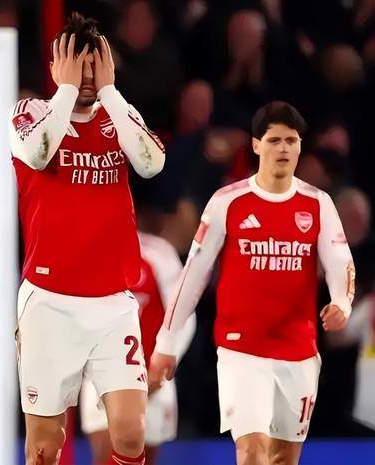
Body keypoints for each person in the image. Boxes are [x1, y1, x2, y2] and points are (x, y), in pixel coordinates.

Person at [150, 101, 355, 465]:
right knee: (252, 449)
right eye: (274, 140)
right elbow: (193, 274)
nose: (283, 148)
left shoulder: (318, 204)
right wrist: (166, 342)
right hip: (240, 350)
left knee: (283, 458)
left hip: (298, 349)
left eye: (291, 141)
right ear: (257, 145)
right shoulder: (228, 202)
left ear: (300, 147)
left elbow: (340, 260)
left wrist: (342, 302)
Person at [9, 12, 165, 465]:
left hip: (113, 302)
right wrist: (64, 91)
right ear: (57, 65)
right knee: (45, 447)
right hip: (49, 302)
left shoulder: (121, 116)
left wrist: (112, 94)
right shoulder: (29, 113)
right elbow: (37, 153)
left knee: (131, 433)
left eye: (95, 64)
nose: (87, 75)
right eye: (78, 64)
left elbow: (152, 163)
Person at [79, 231, 196, 465]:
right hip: (101, 376)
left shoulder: (159, 253)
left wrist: (159, 369)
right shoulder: (88, 250)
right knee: (107, 456)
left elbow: (184, 314)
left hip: (153, 378)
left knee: (143, 459)